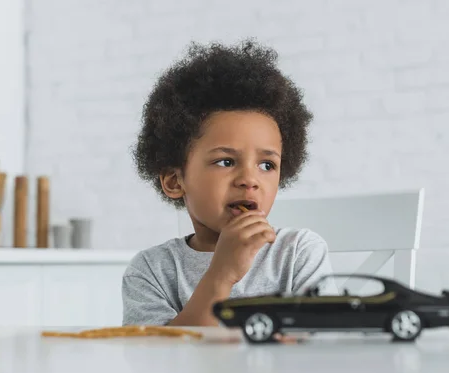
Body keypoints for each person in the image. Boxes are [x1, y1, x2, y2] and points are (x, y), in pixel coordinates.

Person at [122, 38, 334, 327]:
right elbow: (158, 360)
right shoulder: (152, 270)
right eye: (226, 161)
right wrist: (222, 274)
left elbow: (322, 346)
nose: (250, 179)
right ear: (174, 181)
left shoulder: (297, 253)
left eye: (266, 165)